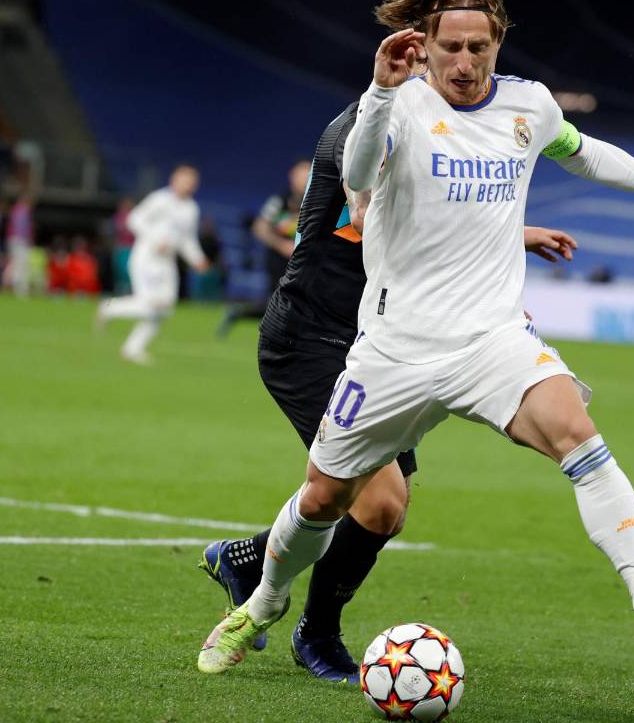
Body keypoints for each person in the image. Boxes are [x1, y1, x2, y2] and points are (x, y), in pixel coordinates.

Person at [198, 0, 634, 676]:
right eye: (450, 47)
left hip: (491, 339)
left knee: (578, 436)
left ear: (498, 43)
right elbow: (358, 176)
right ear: (423, 44)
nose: (463, 62)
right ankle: (264, 602)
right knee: (327, 497)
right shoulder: (393, 107)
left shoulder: (529, 106)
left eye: (477, 47)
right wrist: (380, 89)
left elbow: (583, 153)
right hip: (392, 349)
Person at [198, 97, 579, 683]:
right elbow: (392, 219)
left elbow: (439, 214)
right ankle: (316, 633)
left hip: (384, 344)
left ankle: (248, 561)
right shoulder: (362, 130)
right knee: (379, 500)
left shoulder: (421, 123)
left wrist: (503, 253)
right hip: (311, 338)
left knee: (381, 511)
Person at [95, 164, 209, 365]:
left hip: (167, 262)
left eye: (191, 182)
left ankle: (132, 349)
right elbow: (134, 219)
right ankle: (109, 307)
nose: (187, 185)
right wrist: (155, 240)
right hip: (146, 258)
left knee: (165, 308)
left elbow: (187, 239)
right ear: (174, 179)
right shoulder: (160, 200)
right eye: (184, 180)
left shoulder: (191, 209)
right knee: (149, 304)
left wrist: (197, 258)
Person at [216, 160, 308, 337]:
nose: (304, 180)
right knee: (280, 301)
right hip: (279, 260)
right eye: (301, 175)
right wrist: (281, 245)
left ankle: (240, 313)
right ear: (292, 175)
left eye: (308, 175)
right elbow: (260, 227)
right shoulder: (279, 200)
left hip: (304, 260)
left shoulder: (315, 200)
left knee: (292, 302)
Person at [3, 192, 34, 298]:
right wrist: (27, 239)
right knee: (20, 263)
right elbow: (21, 228)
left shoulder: (16, 210)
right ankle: (19, 287)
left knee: (15, 263)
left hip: (14, 240)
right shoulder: (21, 211)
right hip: (19, 240)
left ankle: (11, 285)